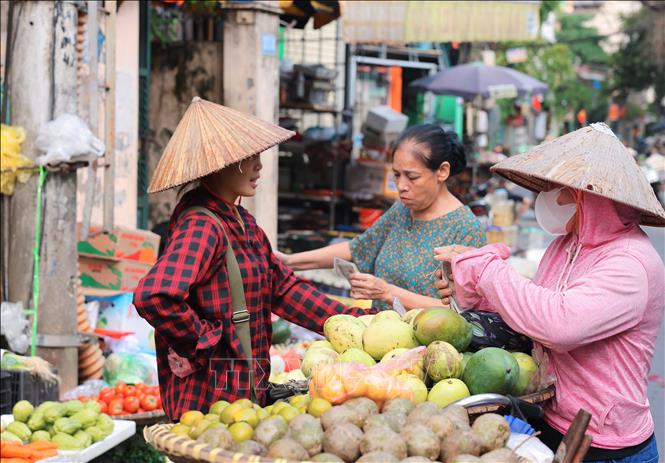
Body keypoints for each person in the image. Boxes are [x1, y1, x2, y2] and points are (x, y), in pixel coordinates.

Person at [434, 123, 665, 462]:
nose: (548, 197)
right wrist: (473, 290)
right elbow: (529, 314)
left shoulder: (630, 263)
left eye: (560, 188)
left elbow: (557, 324)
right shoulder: (565, 246)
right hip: (554, 421)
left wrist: (485, 270)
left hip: (608, 445)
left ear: (589, 197)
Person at [133, 97, 370, 421]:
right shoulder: (202, 225)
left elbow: (283, 289)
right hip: (209, 399)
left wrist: (354, 322)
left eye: (258, 155)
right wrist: (207, 341)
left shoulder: (243, 222)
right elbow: (155, 296)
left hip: (244, 390)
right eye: (247, 158)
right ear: (217, 166)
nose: (259, 165)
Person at [279, 124, 486, 310]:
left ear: (442, 171)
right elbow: (358, 248)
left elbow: (461, 313)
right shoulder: (401, 211)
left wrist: (387, 293)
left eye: (412, 177)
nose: (401, 186)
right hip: (378, 342)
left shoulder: (466, 229)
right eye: (396, 175)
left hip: (430, 350)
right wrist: (288, 261)